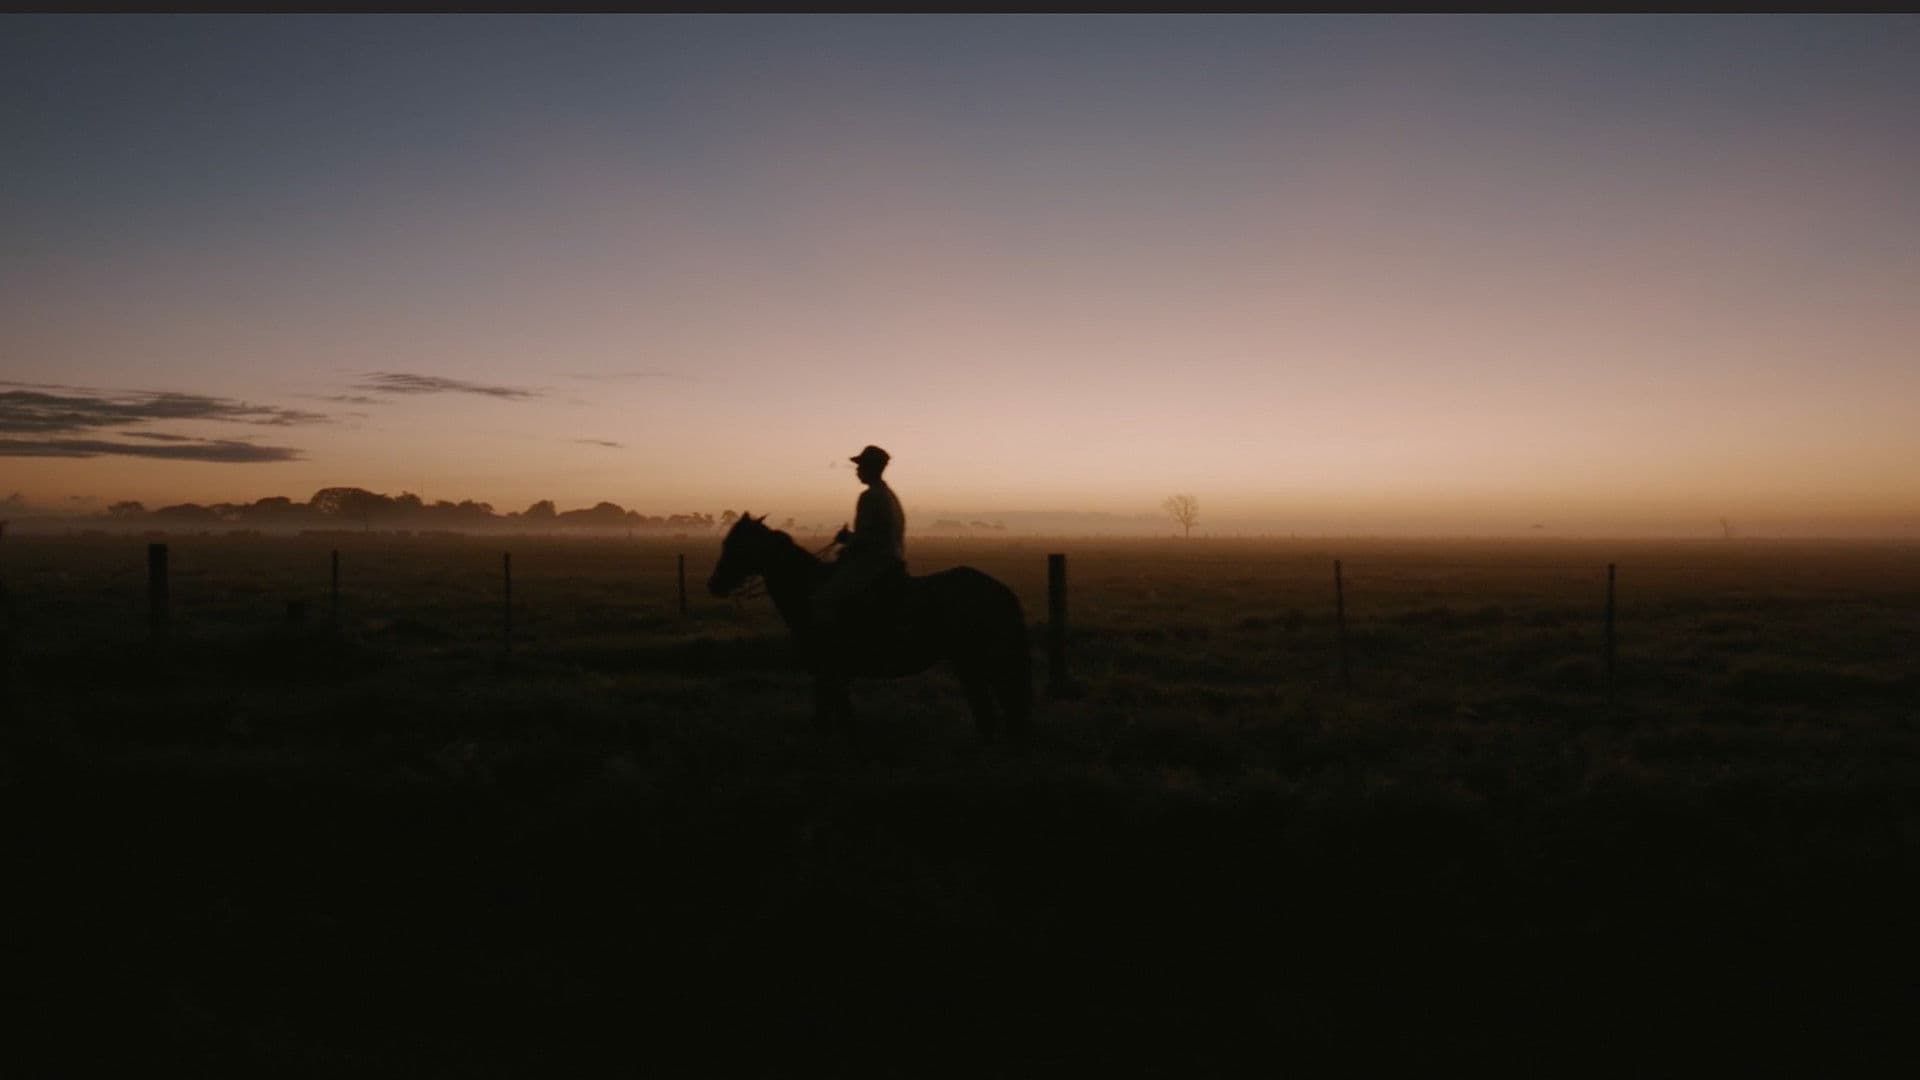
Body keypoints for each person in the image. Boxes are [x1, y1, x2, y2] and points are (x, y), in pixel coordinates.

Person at [812, 444, 907, 632]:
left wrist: (846, 541)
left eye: (860, 466)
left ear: (870, 468)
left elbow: (864, 538)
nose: (857, 470)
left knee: (824, 598)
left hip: (875, 563)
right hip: (894, 560)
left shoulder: (870, 496)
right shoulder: (890, 495)